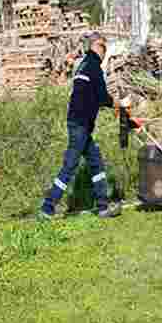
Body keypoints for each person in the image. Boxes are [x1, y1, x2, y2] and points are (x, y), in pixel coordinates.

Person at [38, 32, 126, 220]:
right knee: (70, 165)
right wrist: (118, 104)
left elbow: (89, 96)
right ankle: (47, 208)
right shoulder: (94, 66)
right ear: (99, 47)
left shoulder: (83, 65)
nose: (105, 55)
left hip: (79, 124)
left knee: (95, 162)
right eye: (104, 50)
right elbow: (102, 96)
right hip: (81, 126)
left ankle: (103, 206)